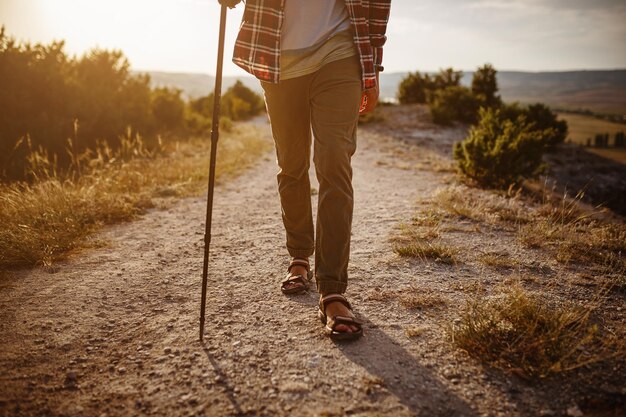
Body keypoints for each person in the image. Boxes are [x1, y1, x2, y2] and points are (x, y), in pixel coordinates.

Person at [219, 0, 391, 341]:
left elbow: (376, 5)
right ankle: (299, 256)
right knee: (292, 165)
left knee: (334, 163)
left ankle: (332, 289)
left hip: (340, 51)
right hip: (278, 58)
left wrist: (372, 70)